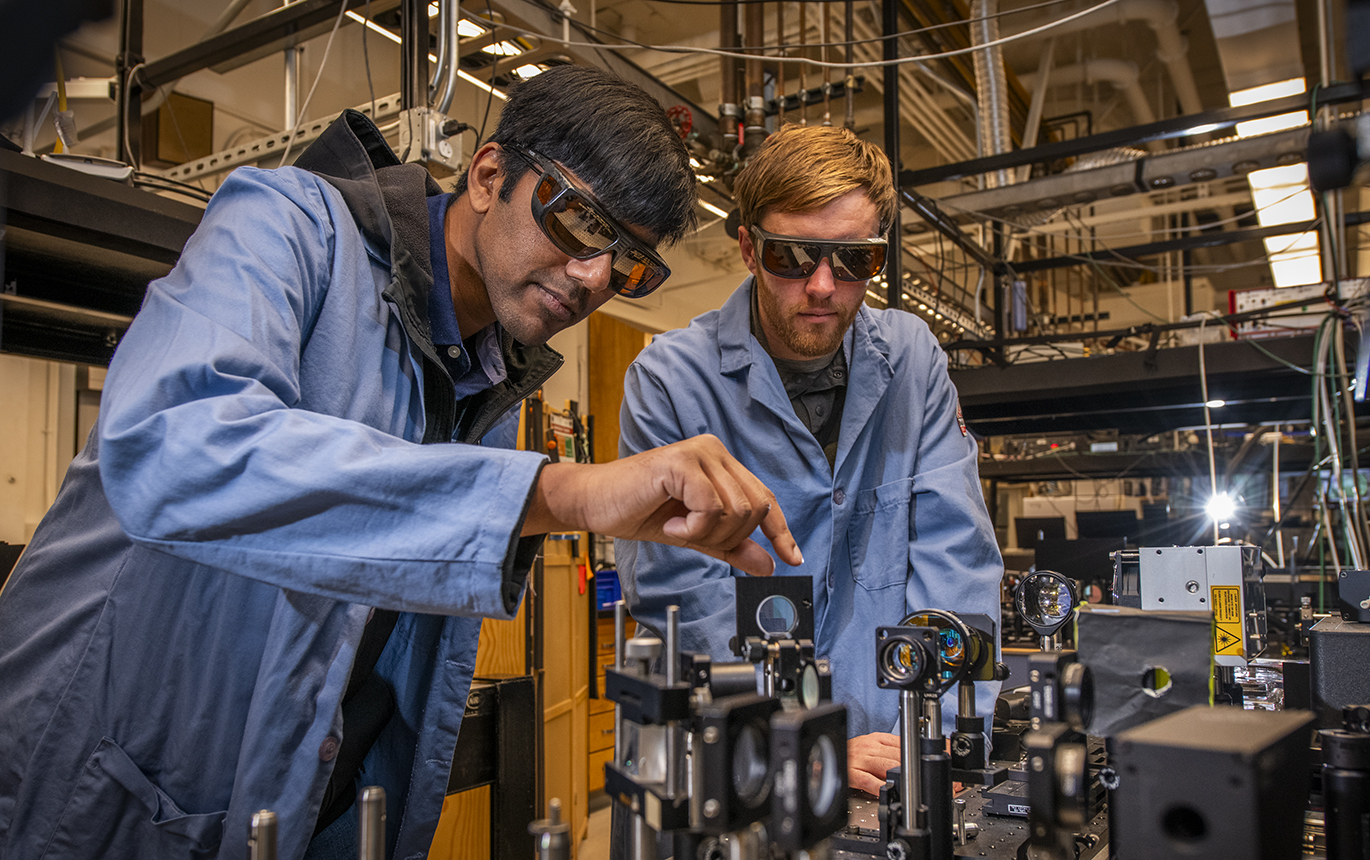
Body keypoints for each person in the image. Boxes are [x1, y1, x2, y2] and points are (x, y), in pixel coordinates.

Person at [0, 65, 799, 860]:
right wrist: (560, 492)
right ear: (489, 175)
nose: (594, 278)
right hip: (94, 805)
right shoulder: (286, 225)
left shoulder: (492, 375)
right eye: (581, 225)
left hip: (305, 815)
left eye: (629, 263)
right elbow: (175, 450)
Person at [615, 124, 1002, 795]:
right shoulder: (672, 380)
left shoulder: (911, 360)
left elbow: (955, 559)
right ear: (747, 247)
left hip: (895, 744)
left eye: (855, 261)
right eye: (793, 256)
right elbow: (684, 598)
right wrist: (801, 740)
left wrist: (948, 728)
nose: (823, 286)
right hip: (736, 754)